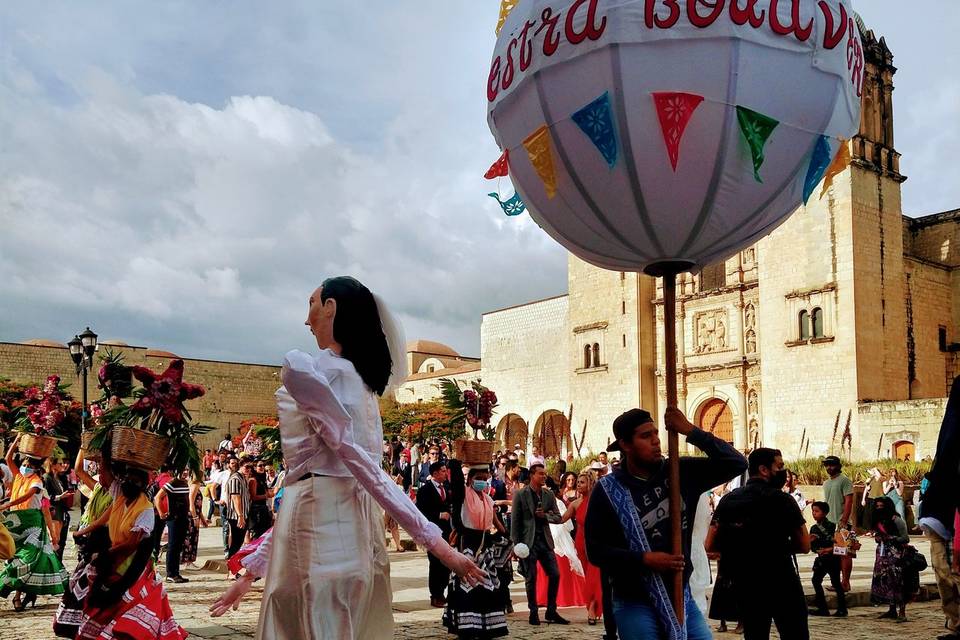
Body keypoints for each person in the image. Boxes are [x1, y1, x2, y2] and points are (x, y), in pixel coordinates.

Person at [208, 276, 484, 639]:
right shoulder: (360, 384)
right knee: (333, 614)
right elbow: (321, 482)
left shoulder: (324, 373)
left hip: (328, 526)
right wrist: (250, 574)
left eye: (311, 304)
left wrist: (439, 546)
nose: (307, 320)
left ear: (331, 307)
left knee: (320, 614)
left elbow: (351, 472)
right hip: (341, 523)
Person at [586, 408, 747, 640]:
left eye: (656, 433)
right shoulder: (608, 491)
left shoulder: (680, 472)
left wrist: (690, 430)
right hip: (634, 598)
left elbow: (736, 463)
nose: (655, 441)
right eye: (645, 436)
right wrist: (645, 560)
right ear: (625, 445)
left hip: (680, 594)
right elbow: (596, 550)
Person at [72, 467, 187, 639]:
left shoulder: (145, 509)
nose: (129, 483)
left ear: (143, 486)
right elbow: (102, 519)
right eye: (127, 479)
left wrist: (105, 554)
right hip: (114, 558)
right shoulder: (119, 500)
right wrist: (80, 533)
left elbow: (131, 544)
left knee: (127, 603)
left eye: (135, 481)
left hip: (134, 564)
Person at [711, 448, 811, 640]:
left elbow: (711, 544)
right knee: (794, 632)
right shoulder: (784, 500)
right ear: (764, 469)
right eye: (780, 466)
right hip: (782, 579)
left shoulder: (728, 500)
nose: (783, 471)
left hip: (746, 582)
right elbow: (805, 545)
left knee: (755, 633)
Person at [442, 460, 513, 638]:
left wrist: (508, 537)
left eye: (484, 478)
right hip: (467, 545)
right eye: (477, 478)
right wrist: (456, 465)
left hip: (485, 545)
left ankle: (484, 626)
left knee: (487, 587)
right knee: (467, 586)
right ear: (470, 479)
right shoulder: (464, 495)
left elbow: (496, 522)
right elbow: (457, 483)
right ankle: (466, 626)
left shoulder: (488, 499)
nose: (481, 481)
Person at [53, 450, 119, 637]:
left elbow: (103, 520)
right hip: (91, 540)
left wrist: (82, 531)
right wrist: (82, 446)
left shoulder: (117, 495)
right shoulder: (99, 487)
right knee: (81, 585)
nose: (100, 473)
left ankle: (94, 625)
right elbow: (79, 471)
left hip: (104, 540)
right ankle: (78, 624)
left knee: (95, 585)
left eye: (104, 470)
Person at [0, 438, 68, 611]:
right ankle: (26, 593)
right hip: (16, 525)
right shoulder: (19, 477)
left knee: (26, 560)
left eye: (26, 462)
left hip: (33, 528)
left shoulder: (37, 482)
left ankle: (17, 596)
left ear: (34, 466)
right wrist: (18, 439)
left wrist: (53, 535)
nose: (23, 464)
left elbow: (32, 498)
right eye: (23, 462)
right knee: (15, 559)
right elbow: (8, 458)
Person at [511, 462, 569, 625]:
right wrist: (515, 544)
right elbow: (515, 522)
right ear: (532, 475)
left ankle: (551, 610)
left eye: (545, 474)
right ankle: (533, 612)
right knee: (531, 578)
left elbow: (558, 517)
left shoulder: (548, 495)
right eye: (541, 474)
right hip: (528, 542)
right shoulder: (521, 495)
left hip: (545, 541)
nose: (544, 476)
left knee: (555, 574)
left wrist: (545, 516)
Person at [561, 471, 603, 625]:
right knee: (588, 575)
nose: (578, 485)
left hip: (596, 543)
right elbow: (562, 519)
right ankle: (592, 605)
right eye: (578, 482)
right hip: (580, 544)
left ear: (590, 484)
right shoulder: (575, 503)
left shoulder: (599, 502)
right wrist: (544, 515)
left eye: (582, 482)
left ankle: (592, 608)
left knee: (595, 575)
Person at [870, 495, 917, 621]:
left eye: (882, 506)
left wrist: (891, 538)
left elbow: (905, 538)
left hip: (896, 556)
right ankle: (891, 610)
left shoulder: (896, 520)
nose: (879, 508)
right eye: (877, 506)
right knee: (886, 581)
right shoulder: (878, 521)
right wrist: (878, 538)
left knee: (898, 582)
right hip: (882, 555)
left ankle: (902, 612)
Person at [417, 460, 452, 607]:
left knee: (447, 564)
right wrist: (438, 515)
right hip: (433, 532)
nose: (445, 474)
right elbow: (421, 512)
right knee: (436, 564)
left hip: (448, 532)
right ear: (435, 473)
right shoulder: (425, 490)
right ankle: (435, 595)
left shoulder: (447, 488)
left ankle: (442, 592)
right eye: (443, 471)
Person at [808, 501, 848, 618]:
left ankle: (840, 609)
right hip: (822, 559)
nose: (814, 514)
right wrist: (815, 548)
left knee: (835, 583)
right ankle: (824, 608)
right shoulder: (813, 528)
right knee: (817, 581)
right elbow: (813, 546)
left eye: (817, 511)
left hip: (832, 559)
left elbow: (840, 543)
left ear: (825, 513)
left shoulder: (832, 526)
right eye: (813, 511)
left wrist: (828, 549)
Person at [822, 456, 854, 591]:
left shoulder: (845, 480)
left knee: (845, 554)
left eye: (832, 465)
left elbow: (849, 501)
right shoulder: (826, 483)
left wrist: (844, 521)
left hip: (843, 523)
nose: (829, 467)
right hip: (829, 523)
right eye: (827, 465)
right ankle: (837, 583)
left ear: (838, 466)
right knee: (833, 555)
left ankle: (845, 583)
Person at [153, 469, 191, 583]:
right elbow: (157, 497)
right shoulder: (172, 483)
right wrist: (161, 513)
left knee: (178, 546)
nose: (185, 472)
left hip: (183, 518)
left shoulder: (184, 483)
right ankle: (170, 573)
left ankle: (176, 572)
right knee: (173, 546)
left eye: (186, 470)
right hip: (173, 519)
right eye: (183, 470)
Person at [223, 456, 249, 560]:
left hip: (242, 515)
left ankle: (233, 568)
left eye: (250, 468)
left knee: (238, 543)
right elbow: (235, 497)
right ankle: (231, 568)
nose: (249, 469)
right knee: (235, 543)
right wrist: (240, 516)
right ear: (241, 466)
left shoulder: (242, 478)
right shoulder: (235, 479)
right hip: (236, 516)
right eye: (246, 467)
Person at [247, 460, 273, 539]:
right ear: (255, 467)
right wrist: (267, 496)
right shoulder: (254, 480)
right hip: (256, 509)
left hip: (263, 508)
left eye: (263, 465)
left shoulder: (262, 478)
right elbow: (253, 497)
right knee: (257, 535)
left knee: (265, 534)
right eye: (260, 465)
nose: (262, 467)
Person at [861, 467, 884, 532]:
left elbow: (879, 476)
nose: (873, 471)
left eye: (874, 471)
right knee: (869, 515)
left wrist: (875, 469)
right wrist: (863, 499)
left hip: (879, 498)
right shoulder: (870, 479)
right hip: (871, 498)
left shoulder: (880, 478)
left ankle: (877, 530)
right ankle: (870, 530)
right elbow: (866, 489)